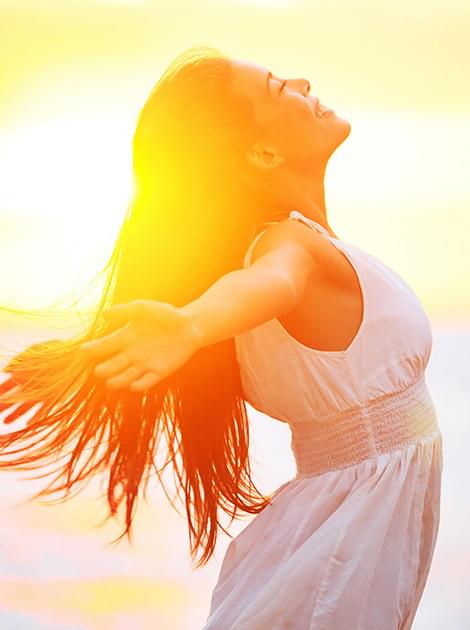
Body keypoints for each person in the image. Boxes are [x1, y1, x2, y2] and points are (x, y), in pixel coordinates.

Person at [0, 45, 443, 629]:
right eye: (279, 87)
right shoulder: (289, 249)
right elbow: (270, 283)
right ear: (264, 151)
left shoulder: (296, 246)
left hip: (338, 536)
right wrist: (191, 324)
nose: (302, 79)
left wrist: (190, 325)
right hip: (338, 549)